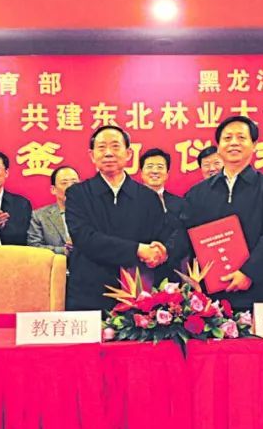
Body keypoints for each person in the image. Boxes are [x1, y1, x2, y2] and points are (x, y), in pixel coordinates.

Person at [183, 116, 263, 310]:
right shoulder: (197, 193)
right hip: (209, 299)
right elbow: (183, 233)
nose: (233, 143)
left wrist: (249, 272)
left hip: (256, 290)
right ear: (218, 146)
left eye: (241, 137)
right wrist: (160, 251)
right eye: (227, 138)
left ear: (254, 145)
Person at [65, 126, 174, 310]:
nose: (108, 153)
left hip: (138, 294)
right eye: (102, 147)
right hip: (89, 292)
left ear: (129, 153)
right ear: (92, 155)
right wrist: (137, 249)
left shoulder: (148, 197)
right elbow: (84, 238)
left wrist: (161, 251)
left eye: (115, 146)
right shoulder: (77, 194)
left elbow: (160, 236)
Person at [139, 147, 190, 284]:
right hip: (137, 273)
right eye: (150, 166)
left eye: (160, 167)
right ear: (142, 173)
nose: (155, 171)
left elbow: (184, 235)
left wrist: (165, 252)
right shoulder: (127, 202)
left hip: (171, 272)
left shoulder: (180, 203)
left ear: (167, 174)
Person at [27, 165, 78, 254]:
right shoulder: (39, 216)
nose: (70, 187)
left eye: (74, 182)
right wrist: (63, 250)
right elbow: (34, 246)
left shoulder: (95, 212)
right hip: (56, 262)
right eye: (64, 183)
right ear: (53, 189)